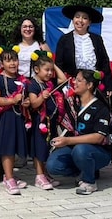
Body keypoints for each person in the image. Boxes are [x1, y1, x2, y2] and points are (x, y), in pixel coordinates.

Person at [46, 69, 112, 195]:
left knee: (80, 150)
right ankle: (85, 170)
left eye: (79, 80)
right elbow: (60, 81)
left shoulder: (101, 107)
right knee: (53, 165)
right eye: (75, 79)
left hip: (97, 151)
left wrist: (68, 140)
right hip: (74, 147)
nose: (74, 82)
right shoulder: (71, 102)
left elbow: (99, 137)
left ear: (89, 85)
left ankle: (89, 182)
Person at [0, 46, 31, 195]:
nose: (12, 64)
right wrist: (12, 100)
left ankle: (10, 175)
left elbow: (25, 98)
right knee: (7, 149)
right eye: (8, 61)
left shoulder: (22, 80)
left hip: (18, 117)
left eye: (14, 60)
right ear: (1, 64)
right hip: (6, 118)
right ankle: (9, 178)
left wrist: (25, 102)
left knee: (13, 148)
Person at [28, 50, 67, 190]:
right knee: (39, 149)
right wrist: (41, 97)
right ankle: (39, 176)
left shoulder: (50, 83)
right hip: (40, 122)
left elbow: (63, 79)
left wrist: (52, 63)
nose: (50, 73)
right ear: (36, 69)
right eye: (47, 70)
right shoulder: (33, 84)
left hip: (52, 121)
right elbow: (33, 104)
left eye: (51, 70)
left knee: (47, 148)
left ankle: (45, 174)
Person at [55, 5, 112, 95]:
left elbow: (104, 62)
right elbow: (59, 64)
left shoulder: (97, 39)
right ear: (73, 20)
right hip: (72, 85)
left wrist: (109, 85)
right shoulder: (64, 39)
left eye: (85, 18)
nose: (80, 20)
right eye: (77, 17)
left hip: (93, 84)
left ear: (89, 22)